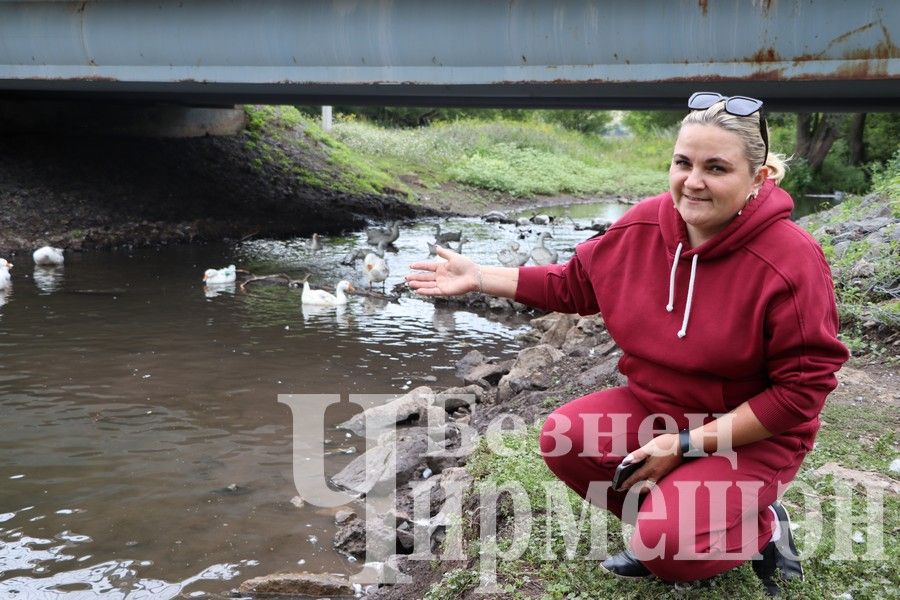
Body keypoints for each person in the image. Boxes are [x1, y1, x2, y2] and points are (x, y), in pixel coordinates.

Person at [405, 92, 849, 596]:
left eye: (717, 168)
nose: (693, 181)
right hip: (657, 408)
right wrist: (479, 274)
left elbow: (801, 394)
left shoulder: (790, 260)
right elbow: (573, 285)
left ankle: (761, 526)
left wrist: (685, 445)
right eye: (682, 162)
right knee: (564, 438)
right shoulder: (643, 225)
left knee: (666, 550)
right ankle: (684, 516)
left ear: (759, 179)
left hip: (752, 433)